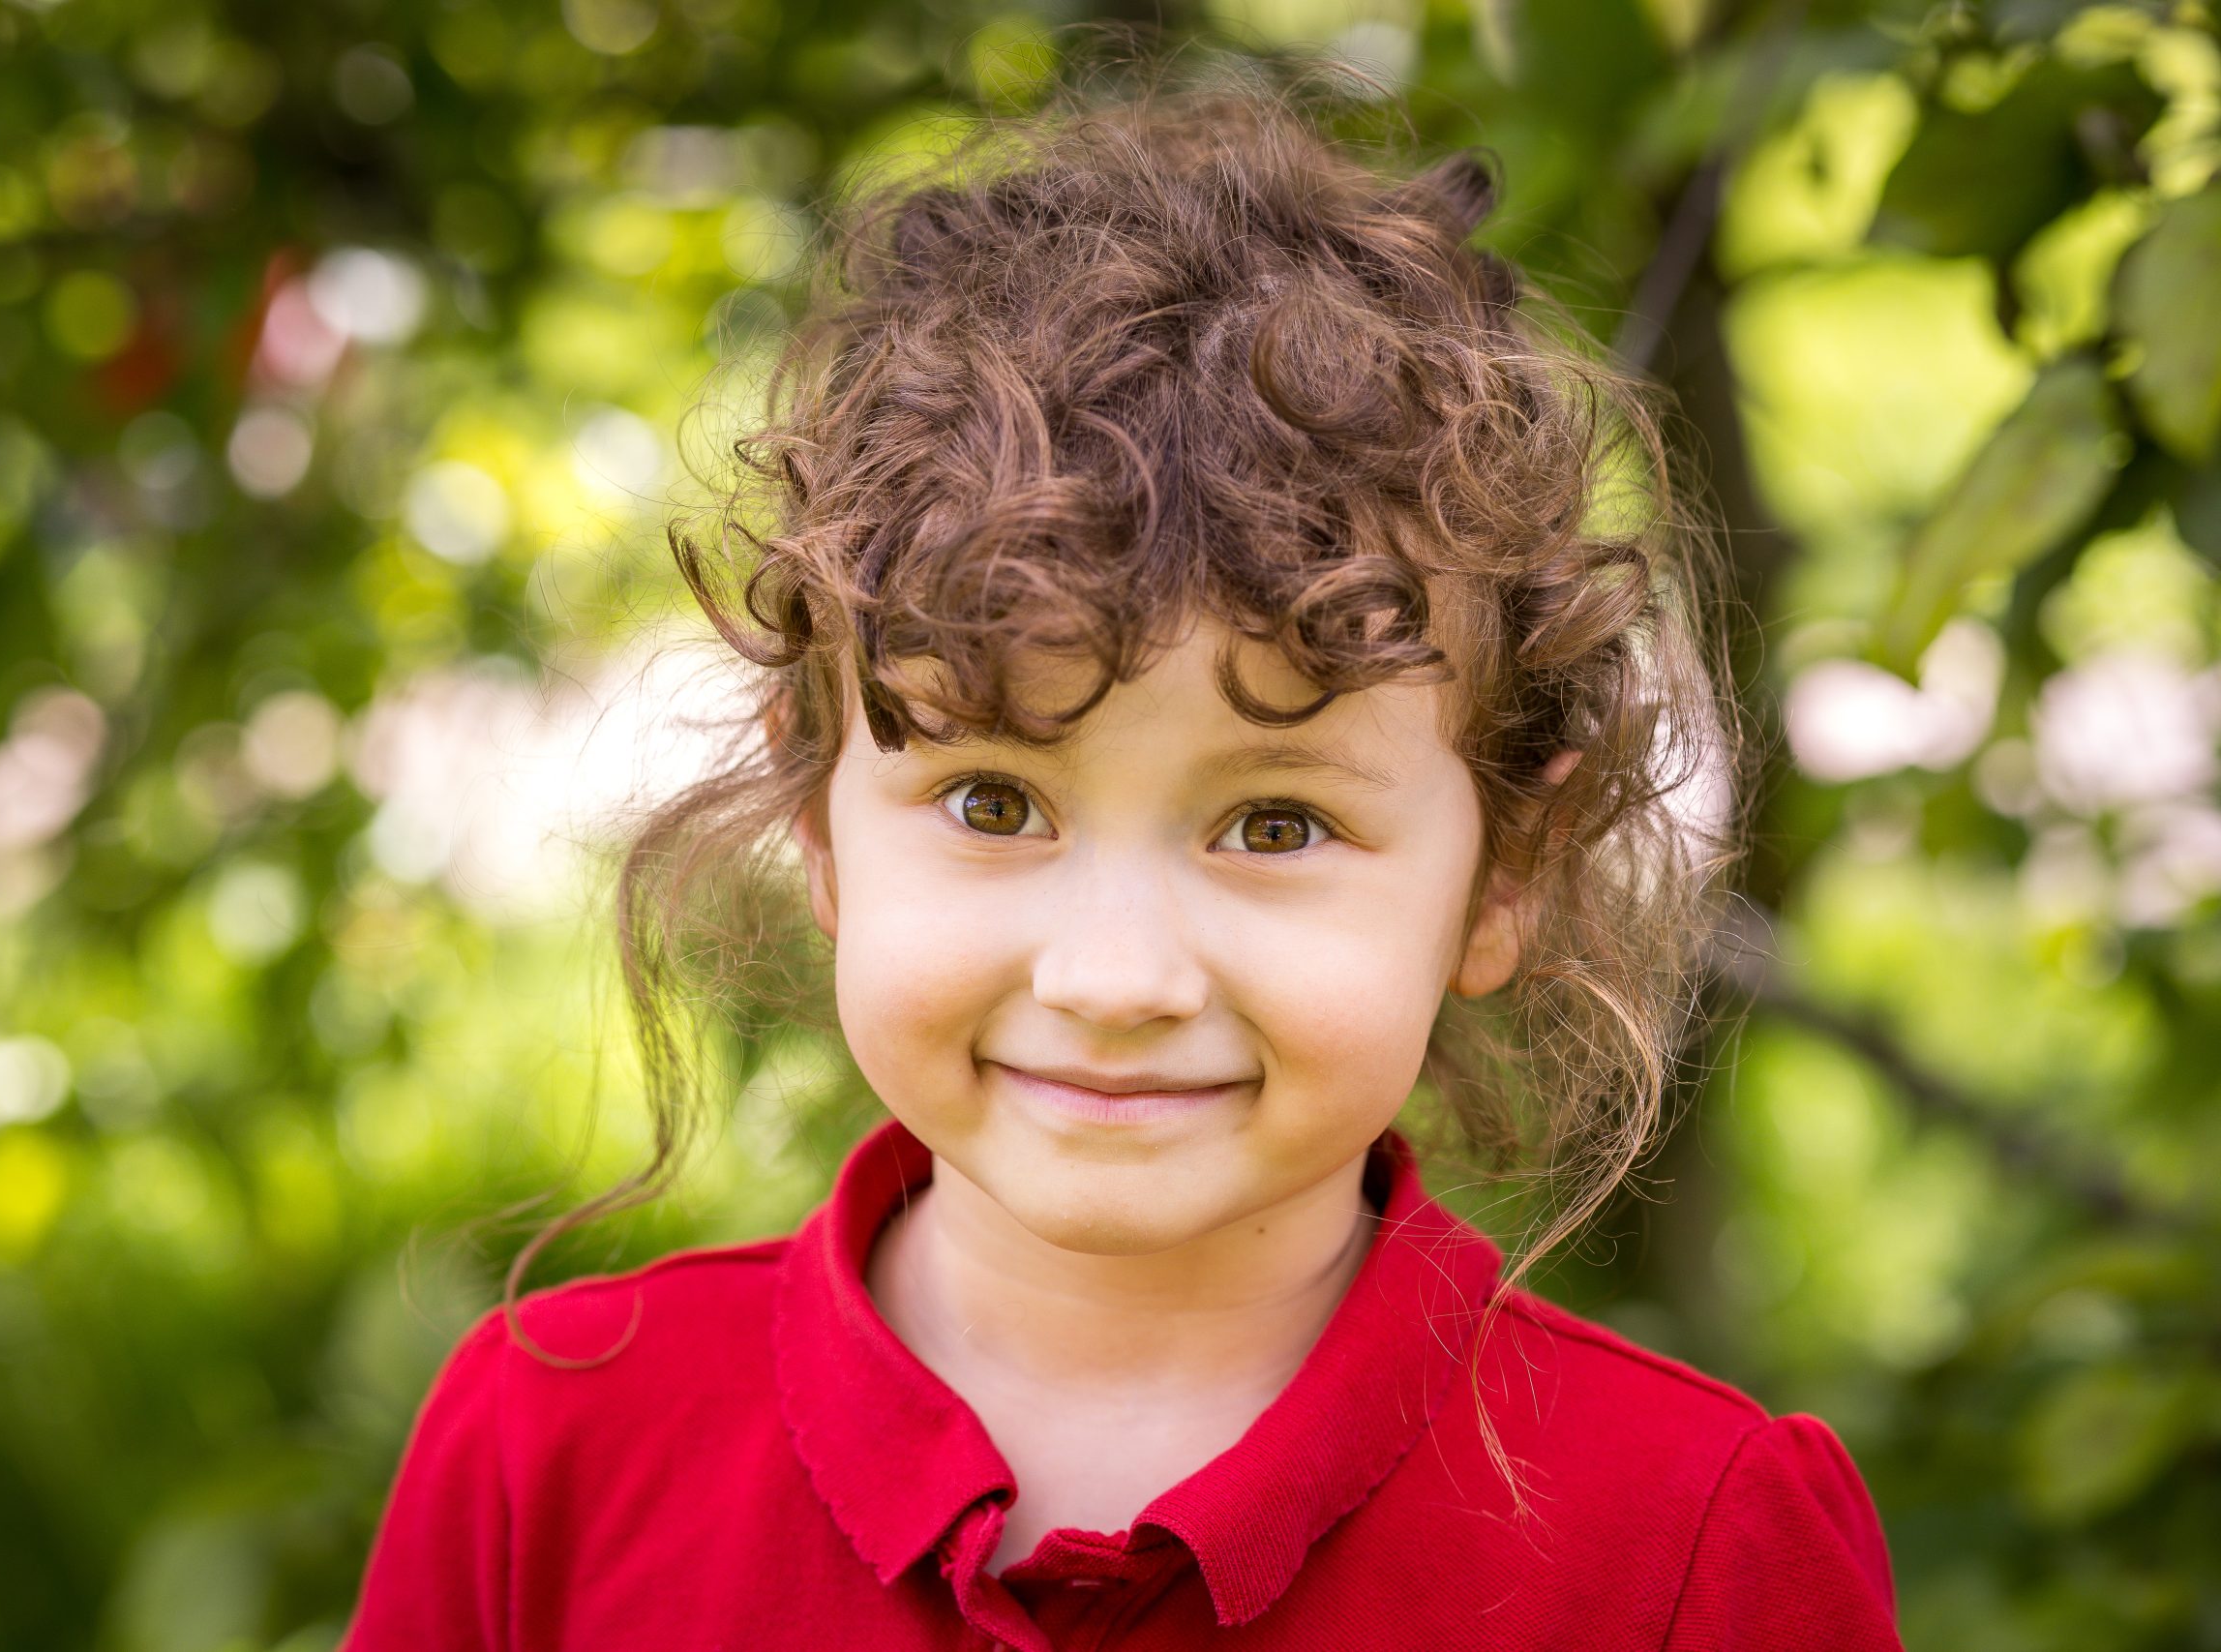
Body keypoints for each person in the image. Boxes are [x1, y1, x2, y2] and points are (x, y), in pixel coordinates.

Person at [340, 54, 1902, 1652]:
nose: (1114, 980)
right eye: (992, 803)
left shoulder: (1694, 1546)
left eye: (1277, 824)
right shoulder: (549, 1453)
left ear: (1506, 872)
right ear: (820, 824)